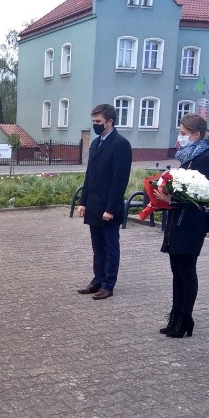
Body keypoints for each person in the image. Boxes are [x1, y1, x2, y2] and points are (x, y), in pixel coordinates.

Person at [152, 113, 209, 338]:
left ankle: (185, 319)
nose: (179, 138)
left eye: (182, 134)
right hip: (177, 222)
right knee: (176, 271)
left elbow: (204, 194)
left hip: (191, 224)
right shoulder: (187, 158)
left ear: (196, 135)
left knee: (186, 271)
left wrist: (173, 199)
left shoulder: (205, 159)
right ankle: (175, 317)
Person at [76, 103, 133, 300]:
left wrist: (111, 208)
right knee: (97, 247)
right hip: (93, 205)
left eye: (98, 122)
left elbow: (119, 180)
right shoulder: (95, 144)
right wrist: (83, 202)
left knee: (110, 247)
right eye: (93, 122)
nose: (95, 125)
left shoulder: (121, 144)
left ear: (110, 121)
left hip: (109, 208)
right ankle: (97, 280)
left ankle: (108, 284)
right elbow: (89, 175)